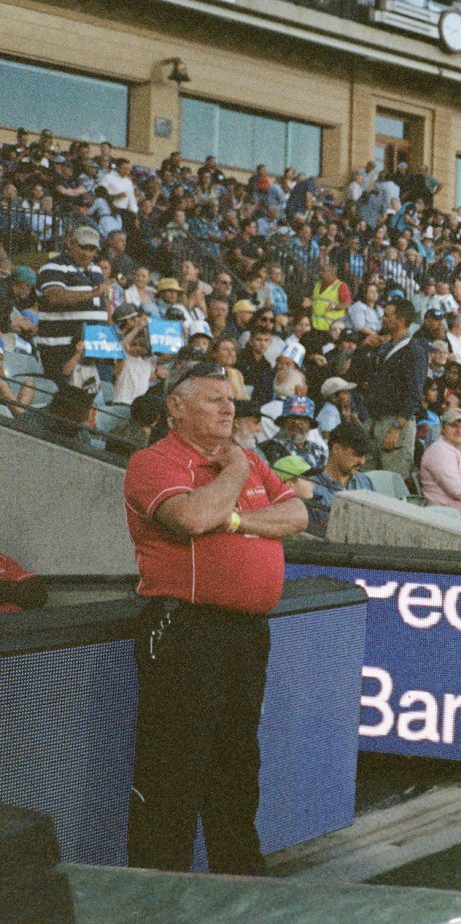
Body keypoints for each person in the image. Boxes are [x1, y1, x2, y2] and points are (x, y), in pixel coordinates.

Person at [120, 359, 308, 873]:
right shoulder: (154, 462)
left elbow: (297, 515)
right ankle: (160, 896)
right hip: (186, 630)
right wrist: (238, 474)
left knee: (237, 765)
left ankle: (238, 883)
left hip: (246, 632)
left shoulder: (241, 459)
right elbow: (192, 518)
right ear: (175, 408)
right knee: (173, 772)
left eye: (230, 400)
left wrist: (238, 518)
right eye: (212, 399)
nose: (228, 408)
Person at [36, 225, 109, 383]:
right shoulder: (53, 266)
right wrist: (92, 293)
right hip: (60, 350)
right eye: (83, 247)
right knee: (66, 401)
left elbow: (103, 303)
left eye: (92, 249)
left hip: (91, 351)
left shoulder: (96, 270)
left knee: (90, 401)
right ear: (71, 243)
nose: (87, 253)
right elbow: (54, 296)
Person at [366, 298, 428, 480]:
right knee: (367, 482)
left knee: (392, 484)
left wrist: (396, 428)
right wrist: (364, 349)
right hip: (374, 420)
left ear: (401, 320)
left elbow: (414, 394)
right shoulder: (383, 348)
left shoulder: (414, 350)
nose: (382, 318)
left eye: (387, 315)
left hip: (395, 423)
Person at [306, 423, 375, 536]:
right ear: (336, 449)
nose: (362, 461)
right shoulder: (310, 486)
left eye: (364, 456)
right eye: (356, 455)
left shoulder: (366, 482)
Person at [419, 407, 461, 516]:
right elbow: (456, 490)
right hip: (450, 518)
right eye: (454, 426)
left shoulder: (460, 450)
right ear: (443, 428)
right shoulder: (439, 451)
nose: (459, 430)